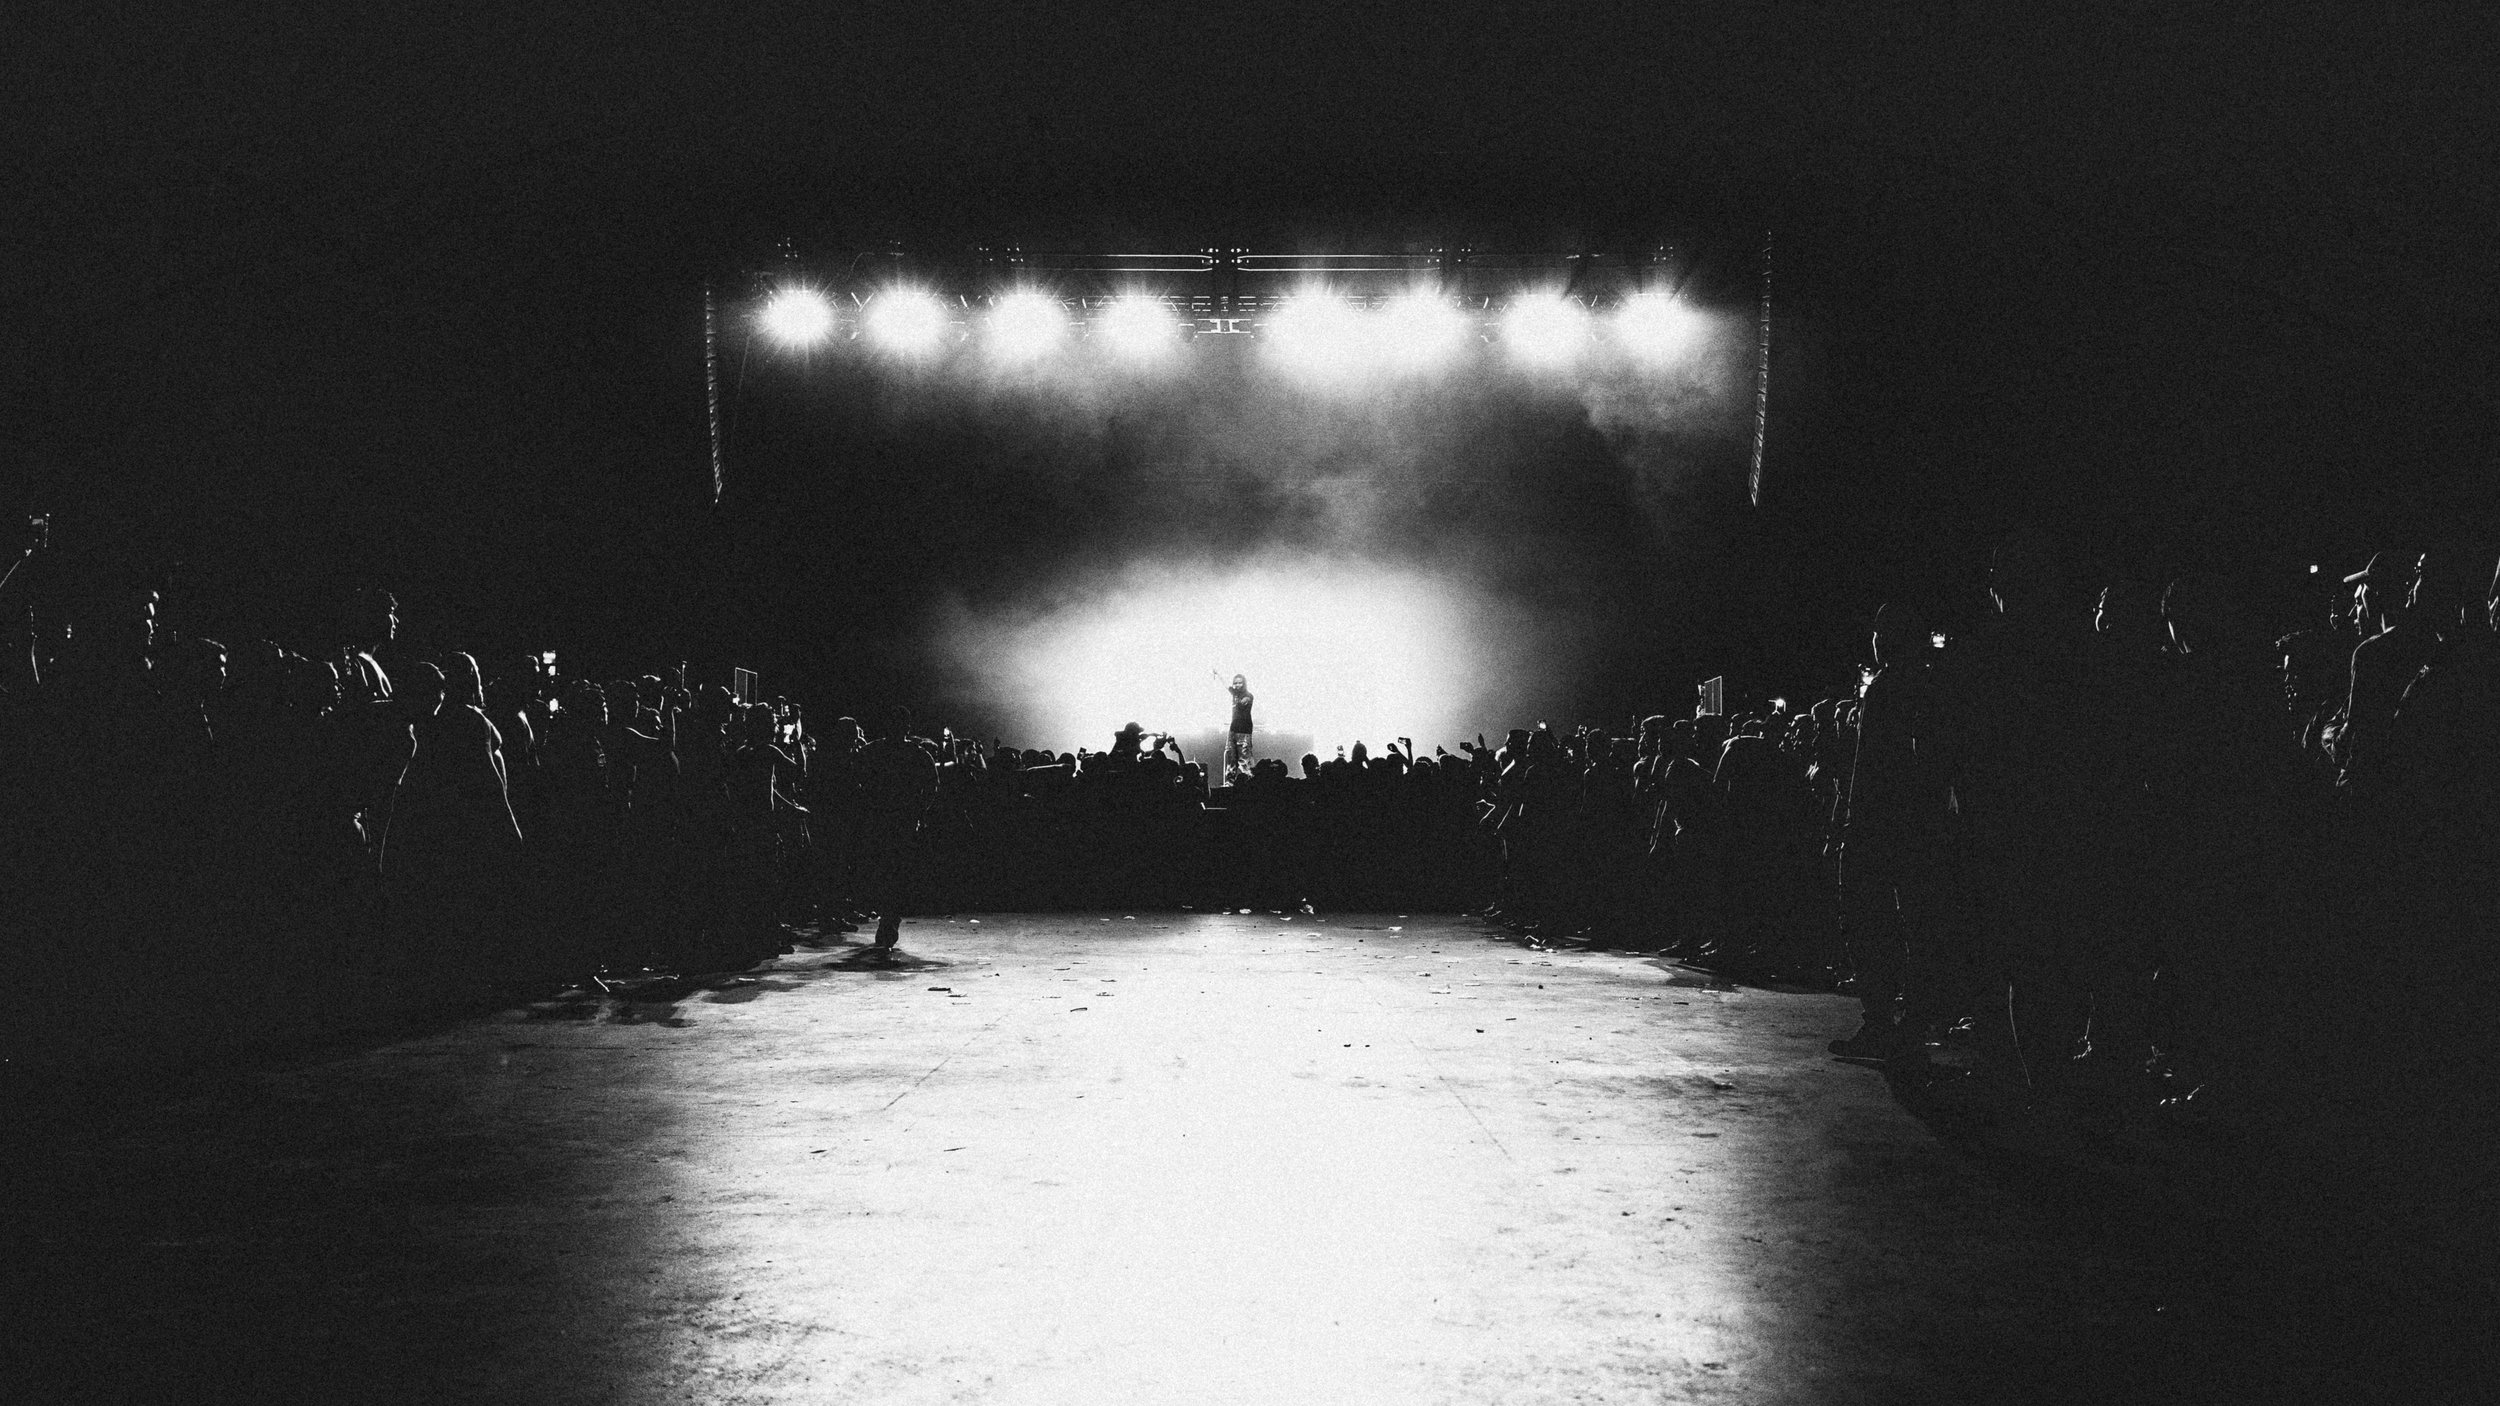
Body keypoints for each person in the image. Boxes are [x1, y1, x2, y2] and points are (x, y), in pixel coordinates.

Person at [853, 705, 939, 953]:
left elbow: (854, 780)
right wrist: (920, 811)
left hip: (880, 820)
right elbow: (933, 786)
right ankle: (889, 919)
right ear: (907, 727)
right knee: (896, 873)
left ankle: (887, 919)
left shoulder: (872, 752)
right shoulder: (917, 754)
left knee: (884, 871)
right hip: (900, 821)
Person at [1217, 672, 1254, 782]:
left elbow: (1246, 700)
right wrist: (1218, 674)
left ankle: (1249, 782)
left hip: (1244, 730)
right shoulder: (1234, 694)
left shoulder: (1248, 695)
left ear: (1244, 684)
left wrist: (1242, 701)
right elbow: (1225, 685)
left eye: (1240, 683)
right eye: (1235, 683)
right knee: (1230, 756)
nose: (1237, 685)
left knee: (1244, 759)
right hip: (1233, 729)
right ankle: (1229, 783)